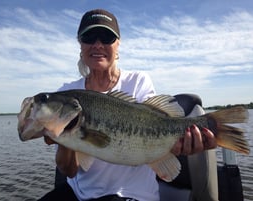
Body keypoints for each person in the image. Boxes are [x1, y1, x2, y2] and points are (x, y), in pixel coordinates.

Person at [39, 9, 218, 201]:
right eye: (89, 37)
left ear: (118, 44)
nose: (97, 44)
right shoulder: (68, 92)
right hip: (78, 193)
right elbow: (69, 171)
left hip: (130, 195)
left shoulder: (138, 82)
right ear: (80, 44)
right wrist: (66, 136)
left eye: (107, 37)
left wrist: (180, 144)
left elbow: (155, 136)